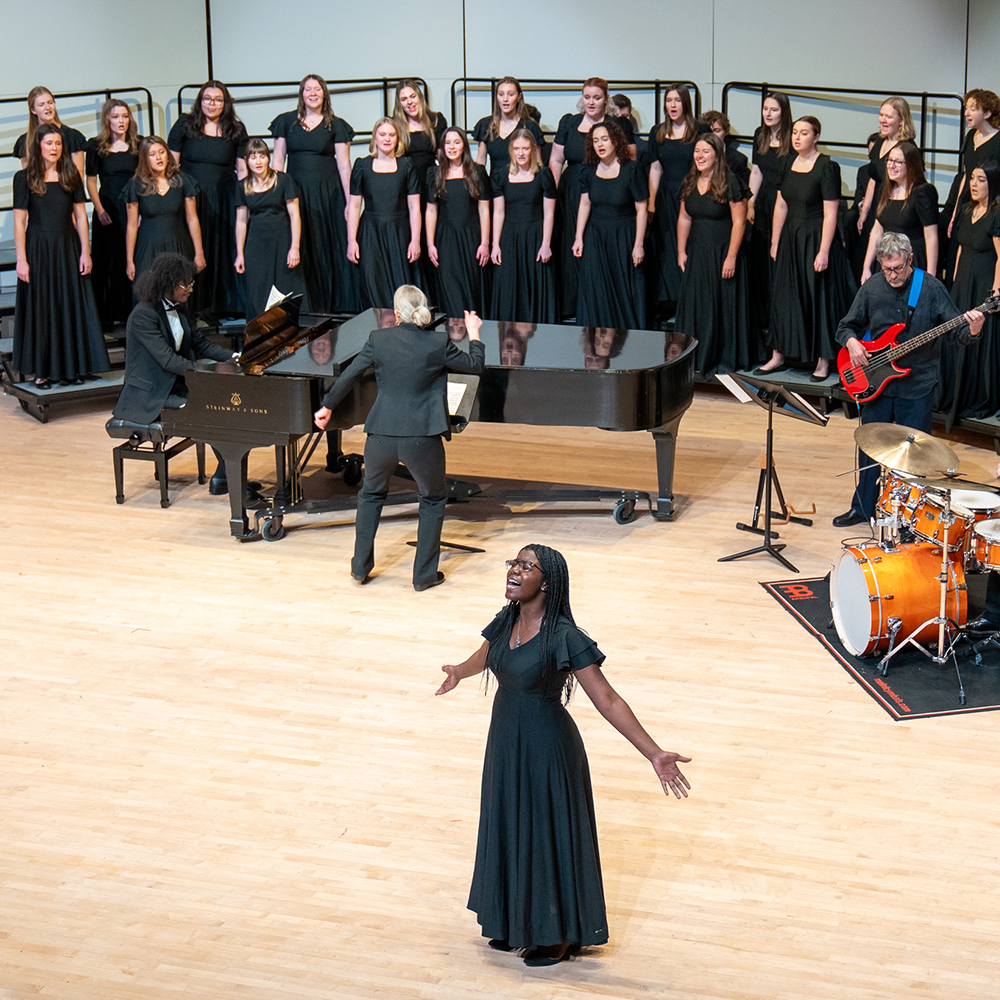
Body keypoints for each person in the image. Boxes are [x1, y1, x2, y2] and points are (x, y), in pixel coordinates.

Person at [435, 543, 691, 965]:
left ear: (546, 582)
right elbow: (487, 655)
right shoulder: (507, 620)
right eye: (514, 563)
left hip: (547, 749)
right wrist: (459, 673)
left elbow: (607, 699)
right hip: (506, 744)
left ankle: (556, 934)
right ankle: (516, 923)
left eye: (526, 567)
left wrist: (654, 753)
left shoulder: (564, 636)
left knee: (543, 836)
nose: (515, 571)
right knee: (510, 825)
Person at [313, 286, 486, 590]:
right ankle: (423, 576)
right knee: (432, 498)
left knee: (370, 496)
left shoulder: (378, 339)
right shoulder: (437, 342)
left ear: (395, 314)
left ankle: (360, 568)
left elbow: (351, 374)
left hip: (380, 435)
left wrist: (327, 406)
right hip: (422, 437)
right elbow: (475, 366)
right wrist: (474, 333)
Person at [832, 232, 985, 527]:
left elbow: (957, 333)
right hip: (874, 383)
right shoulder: (872, 287)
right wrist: (852, 343)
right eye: (887, 269)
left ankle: (909, 520)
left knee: (914, 456)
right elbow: (845, 327)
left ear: (910, 259)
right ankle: (863, 508)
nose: (892, 275)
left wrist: (974, 330)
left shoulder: (931, 288)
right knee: (869, 449)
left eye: (898, 268)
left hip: (917, 385)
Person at [109, 252, 259, 504]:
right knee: (214, 412)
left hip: (175, 386)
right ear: (167, 284)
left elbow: (202, 344)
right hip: (151, 396)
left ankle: (225, 477)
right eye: (184, 284)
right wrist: (208, 374)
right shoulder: (143, 316)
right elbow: (168, 361)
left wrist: (236, 357)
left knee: (228, 408)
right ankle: (233, 485)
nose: (190, 288)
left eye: (191, 282)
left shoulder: (180, 307)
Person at [13, 123, 107, 388]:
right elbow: (19, 222)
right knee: (42, 308)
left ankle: (71, 368)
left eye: (58, 143)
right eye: (49, 143)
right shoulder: (24, 178)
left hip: (67, 247)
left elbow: (80, 216)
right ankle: (42, 371)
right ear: (38, 146)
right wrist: (22, 259)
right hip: (38, 249)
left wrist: (85, 251)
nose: (54, 148)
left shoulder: (70, 174)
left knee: (70, 306)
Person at [763, 116, 857, 381]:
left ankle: (823, 360)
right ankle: (779, 354)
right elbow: (781, 205)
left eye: (804, 133)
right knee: (785, 297)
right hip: (790, 238)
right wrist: (775, 241)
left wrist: (824, 251)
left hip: (816, 238)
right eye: (795, 132)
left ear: (816, 137)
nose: (797, 137)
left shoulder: (827, 167)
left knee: (819, 298)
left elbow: (831, 213)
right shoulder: (786, 163)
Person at [269, 74, 359, 312]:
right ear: (301, 93)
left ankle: (335, 304)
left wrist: (349, 201)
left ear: (324, 93)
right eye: (308, 89)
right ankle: (306, 305)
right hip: (295, 193)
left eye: (317, 89)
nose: (312, 93)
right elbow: (277, 162)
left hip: (328, 194)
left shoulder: (336, 125)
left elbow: (344, 166)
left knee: (327, 246)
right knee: (301, 245)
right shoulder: (286, 122)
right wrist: (275, 196)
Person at [551, 77, 636, 318]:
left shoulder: (618, 124)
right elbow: (556, 160)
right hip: (571, 193)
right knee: (573, 245)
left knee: (597, 248)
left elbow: (630, 161)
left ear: (606, 99)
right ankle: (574, 306)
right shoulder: (569, 122)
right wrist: (552, 194)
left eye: (597, 98)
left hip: (604, 192)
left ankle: (601, 306)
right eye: (587, 97)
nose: (591, 102)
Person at [675, 132, 757, 375]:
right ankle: (697, 355)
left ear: (717, 155)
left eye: (705, 151)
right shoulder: (690, 180)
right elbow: (684, 218)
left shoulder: (730, 181)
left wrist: (731, 257)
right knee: (697, 303)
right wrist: (681, 250)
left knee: (722, 305)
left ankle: (721, 356)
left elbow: (739, 222)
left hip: (723, 252)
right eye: (697, 151)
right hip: (698, 253)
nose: (700, 156)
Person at [168, 81, 248, 316]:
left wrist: (245, 202)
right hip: (191, 198)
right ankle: (192, 305)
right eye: (207, 99)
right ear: (200, 101)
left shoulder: (236, 129)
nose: (212, 104)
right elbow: (171, 167)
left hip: (224, 198)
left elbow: (243, 171)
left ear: (225, 103)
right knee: (193, 249)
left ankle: (224, 306)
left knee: (223, 248)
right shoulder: (185, 124)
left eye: (218, 100)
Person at [937, 161, 1000, 425]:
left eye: (981, 180)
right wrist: (954, 283)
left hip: (984, 283)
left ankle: (978, 395)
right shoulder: (965, 210)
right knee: (956, 336)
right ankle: (955, 392)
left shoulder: (996, 214)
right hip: (963, 282)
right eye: (972, 178)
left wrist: (996, 291)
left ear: (993, 184)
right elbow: (961, 247)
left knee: (980, 340)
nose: (973, 184)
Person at [571, 119, 648, 329]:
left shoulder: (632, 169)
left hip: (624, 236)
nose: (600, 144)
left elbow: (642, 209)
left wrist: (638, 244)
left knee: (622, 288)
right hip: (596, 236)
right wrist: (579, 237)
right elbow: (585, 203)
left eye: (604, 139)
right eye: (595, 141)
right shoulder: (588, 170)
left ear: (615, 141)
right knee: (596, 286)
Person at [645, 85, 710, 319]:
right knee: (667, 249)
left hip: (691, 194)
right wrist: (651, 202)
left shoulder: (700, 130)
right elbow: (655, 168)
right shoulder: (658, 131)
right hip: (665, 197)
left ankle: (691, 300)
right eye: (669, 100)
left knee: (690, 246)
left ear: (686, 104)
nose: (672, 105)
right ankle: (668, 302)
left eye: (677, 100)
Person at [348, 118, 422, 309]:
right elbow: (354, 206)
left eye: (391, 135)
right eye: (382, 134)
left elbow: (414, 206)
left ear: (398, 138)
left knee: (400, 284)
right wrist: (351, 240)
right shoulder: (362, 166)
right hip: (370, 232)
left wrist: (415, 240)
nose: (387, 139)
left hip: (399, 233)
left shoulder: (406, 165)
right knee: (372, 283)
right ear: (375, 137)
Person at [490, 129, 558, 323]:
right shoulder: (501, 175)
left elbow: (549, 213)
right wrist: (495, 244)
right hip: (510, 237)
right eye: (517, 148)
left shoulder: (543, 175)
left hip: (535, 236)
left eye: (525, 148)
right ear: (511, 150)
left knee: (535, 285)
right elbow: (499, 212)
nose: (521, 153)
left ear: (533, 150)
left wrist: (546, 244)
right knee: (510, 287)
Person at [234, 138, 305, 319]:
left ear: (268, 158)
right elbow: (241, 221)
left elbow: (295, 215)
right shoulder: (242, 186)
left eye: (262, 156)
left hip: (282, 240)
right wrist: (240, 254)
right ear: (246, 160)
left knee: (285, 288)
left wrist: (295, 247)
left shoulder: (283, 180)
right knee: (258, 291)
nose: (258, 162)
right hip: (256, 243)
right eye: (253, 157)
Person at [85, 99, 140, 331]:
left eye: (125, 116)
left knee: (130, 260)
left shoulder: (138, 145)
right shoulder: (96, 146)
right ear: (107, 119)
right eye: (116, 117)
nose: (121, 121)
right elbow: (90, 182)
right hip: (107, 208)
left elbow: (143, 179)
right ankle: (106, 317)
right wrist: (99, 209)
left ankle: (130, 314)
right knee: (108, 261)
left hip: (132, 208)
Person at [426, 127, 491, 317]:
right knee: (450, 286)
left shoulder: (477, 171)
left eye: (456, 142)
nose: (452, 147)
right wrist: (430, 244)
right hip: (445, 238)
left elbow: (484, 209)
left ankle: (473, 328)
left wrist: (485, 243)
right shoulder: (435, 173)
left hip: (471, 236)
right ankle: (454, 329)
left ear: (464, 145)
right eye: (447, 143)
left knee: (472, 285)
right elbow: (431, 210)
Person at [125, 136, 204, 282]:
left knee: (179, 289)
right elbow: (132, 225)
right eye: (152, 154)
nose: (158, 158)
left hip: (177, 244)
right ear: (145, 159)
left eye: (162, 152)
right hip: (148, 248)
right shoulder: (136, 185)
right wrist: (129, 261)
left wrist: (199, 253)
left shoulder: (182, 180)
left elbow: (192, 219)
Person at [747, 92, 793, 337]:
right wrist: (750, 202)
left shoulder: (792, 136)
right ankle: (763, 315)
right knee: (761, 257)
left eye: (774, 109)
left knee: (780, 256)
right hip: (764, 201)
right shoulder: (760, 134)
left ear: (783, 112)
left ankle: (781, 316)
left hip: (784, 201)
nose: (768, 113)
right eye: (765, 108)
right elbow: (756, 172)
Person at [860, 141, 938, 281]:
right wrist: (866, 267)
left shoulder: (923, 192)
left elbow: (931, 236)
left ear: (911, 166)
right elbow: (877, 230)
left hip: (912, 262)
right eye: (889, 160)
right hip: (888, 261)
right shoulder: (884, 190)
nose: (891, 165)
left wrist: (931, 277)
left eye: (898, 162)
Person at [855, 97, 916, 257]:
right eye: (881, 115)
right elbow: (873, 178)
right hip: (876, 208)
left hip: (892, 210)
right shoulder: (880, 142)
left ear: (901, 121)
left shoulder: (907, 148)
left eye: (888, 116)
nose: (882, 120)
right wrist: (865, 211)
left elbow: (911, 184)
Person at [947, 90, 1000, 240]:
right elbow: (966, 175)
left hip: (989, 205)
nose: (966, 113)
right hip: (967, 202)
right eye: (966, 108)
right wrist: (955, 213)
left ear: (987, 113)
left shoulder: (997, 140)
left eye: (973, 109)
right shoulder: (971, 136)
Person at [472, 76, 546, 176]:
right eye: (501, 94)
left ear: (519, 97)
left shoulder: (530, 126)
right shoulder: (485, 125)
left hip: (522, 182)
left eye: (510, 94)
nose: (505, 99)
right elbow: (480, 163)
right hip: (494, 184)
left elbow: (538, 163)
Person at [14, 86, 86, 176]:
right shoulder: (25, 141)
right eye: (41, 105)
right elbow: (27, 176)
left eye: (50, 103)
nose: (47, 107)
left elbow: (79, 175)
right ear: (33, 110)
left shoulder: (72, 136)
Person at [393, 80, 448, 187]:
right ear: (399, 104)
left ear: (420, 97)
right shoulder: (394, 125)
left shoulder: (436, 121)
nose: (409, 102)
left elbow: (443, 158)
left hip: (431, 182)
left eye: (413, 96)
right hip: (405, 184)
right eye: (404, 99)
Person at [699, 110, 751, 194]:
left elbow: (741, 194)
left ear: (726, 131)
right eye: (708, 131)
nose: (712, 136)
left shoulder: (739, 160)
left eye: (717, 131)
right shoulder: (695, 156)